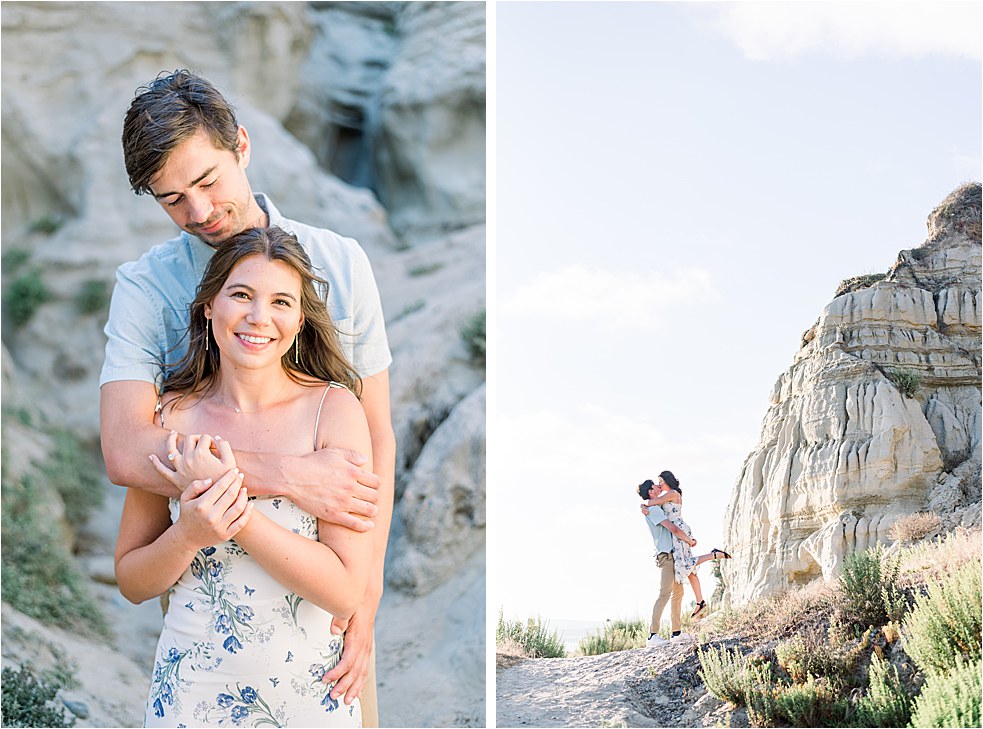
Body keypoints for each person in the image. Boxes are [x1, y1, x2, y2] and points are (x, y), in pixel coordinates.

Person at [100, 70, 394, 725]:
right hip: (206, 645)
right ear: (206, 309)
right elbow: (126, 448)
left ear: (241, 145)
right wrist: (286, 474)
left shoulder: (339, 264)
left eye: (207, 182)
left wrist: (364, 601)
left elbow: (374, 441)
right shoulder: (147, 288)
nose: (199, 213)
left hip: (325, 617)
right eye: (172, 198)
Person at [116, 226, 372, 726]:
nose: (259, 317)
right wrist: (188, 535)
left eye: (281, 301)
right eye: (241, 295)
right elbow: (131, 580)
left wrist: (232, 512)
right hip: (189, 693)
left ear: (299, 320)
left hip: (308, 696)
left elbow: (344, 590)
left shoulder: (333, 411)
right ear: (209, 305)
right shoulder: (171, 416)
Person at [639, 472, 731, 620]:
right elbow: (653, 503)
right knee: (689, 569)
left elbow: (651, 503)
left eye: (660, 481)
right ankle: (700, 601)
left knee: (684, 564)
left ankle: (714, 555)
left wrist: (642, 505)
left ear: (667, 481)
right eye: (657, 483)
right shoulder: (668, 495)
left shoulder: (672, 493)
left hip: (678, 532)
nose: (659, 485)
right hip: (678, 531)